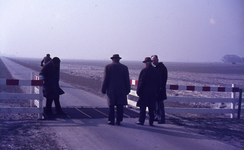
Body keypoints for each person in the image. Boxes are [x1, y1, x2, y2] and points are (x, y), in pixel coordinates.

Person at [101, 54, 131, 125]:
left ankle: (111, 120)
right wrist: (128, 89)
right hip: (121, 90)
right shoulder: (124, 67)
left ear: (112, 59)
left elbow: (105, 79)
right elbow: (127, 80)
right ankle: (119, 120)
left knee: (111, 105)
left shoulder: (108, 67)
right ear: (119, 59)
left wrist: (103, 89)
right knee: (120, 106)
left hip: (111, 89)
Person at [136, 57, 160, 126]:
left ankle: (141, 121)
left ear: (146, 63)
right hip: (153, 93)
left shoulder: (144, 71)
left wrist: (138, 91)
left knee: (143, 108)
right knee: (151, 108)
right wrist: (157, 92)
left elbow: (141, 82)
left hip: (144, 93)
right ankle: (151, 121)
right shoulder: (156, 71)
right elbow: (159, 83)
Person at [151, 55, 168, 124]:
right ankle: (157, 117)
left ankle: (162, 118)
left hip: (160, 90)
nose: (153, 62)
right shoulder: (156, 68)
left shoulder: (162, 68)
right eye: (152, 60)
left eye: (154, 60)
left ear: (157, 60)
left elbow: (162, 80)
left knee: (160, 105)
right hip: (156, 89)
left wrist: (160, 88)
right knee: (156, 104)